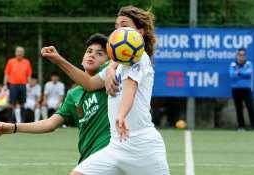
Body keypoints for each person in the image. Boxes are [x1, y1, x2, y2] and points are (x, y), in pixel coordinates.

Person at [41, 5, 170, 175]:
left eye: (124, 25)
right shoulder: (114, 65)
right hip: (116, 146)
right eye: (116, 27)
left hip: (143, 147)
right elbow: (89, 83)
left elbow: (130, 88)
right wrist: (58, 60)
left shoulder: (140, 58)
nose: (118, 31)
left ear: (139, 33)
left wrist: (122, 115)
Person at [0, 33, 110, 166]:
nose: (92, 55)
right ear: (82, 58)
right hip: (87, 159)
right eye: (89, 51)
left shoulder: (110, 79)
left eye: (99, 53)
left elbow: (91, 83)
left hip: (108, 156)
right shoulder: (73, 95)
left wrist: (58, 59)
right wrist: (14, 127)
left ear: (108, 62)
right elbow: (50, 123)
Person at [229, 48, 254, 130]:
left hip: (247, 89)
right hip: (236, 89)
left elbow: (249, 73)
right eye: (240, 55)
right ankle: (241, 126)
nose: (241, 57)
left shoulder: (249, 64)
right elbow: (232, 75)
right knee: (238, 108)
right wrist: (242, 73)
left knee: (250, 107)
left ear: (246, 56)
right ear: (237, 56)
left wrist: (239, 72)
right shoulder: (233, 64)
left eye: (243, 55)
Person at [4, 46, 32, 123]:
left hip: (23, 85)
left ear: (23, 53)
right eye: (18, 51)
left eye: (21, 52)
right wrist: (5, 85)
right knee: (11, 103)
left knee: (22, 103)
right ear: (15, 53)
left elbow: (29, 75)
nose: (19, 53)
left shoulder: (27, 62)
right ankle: (9, 121)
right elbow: (6, 74)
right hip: (12, 85)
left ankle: (22, 121)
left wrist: (29, 85)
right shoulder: (10, 61)